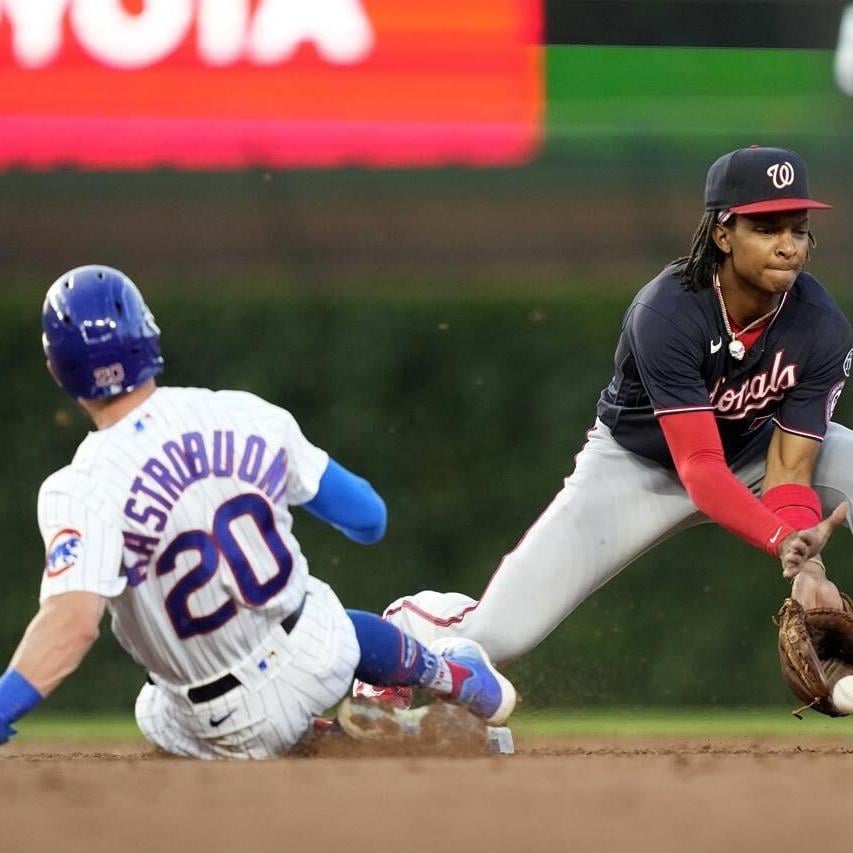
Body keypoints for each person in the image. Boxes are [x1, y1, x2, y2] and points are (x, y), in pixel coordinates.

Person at [358, 145, 853, 699]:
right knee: (496, 636)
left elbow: (789, 467)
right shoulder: (667, 312)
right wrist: (779, 537)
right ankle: (409, 627)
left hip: (757, 453)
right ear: (722, 233)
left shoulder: (820, 325)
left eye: (798, 228)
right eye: (766, 228)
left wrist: (809, 570)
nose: (788, 245)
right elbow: (700, 468)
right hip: (639, 467)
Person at [0, 265, 516, 759]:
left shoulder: (78, 488)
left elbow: (71, 625)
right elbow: (368, 518)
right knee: (319, 607)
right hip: (317, 658)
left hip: (219, 725)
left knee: (153, 708)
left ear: (57, 370)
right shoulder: (244, 413)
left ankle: (343, 739)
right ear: (149, 338)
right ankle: (450, 678)